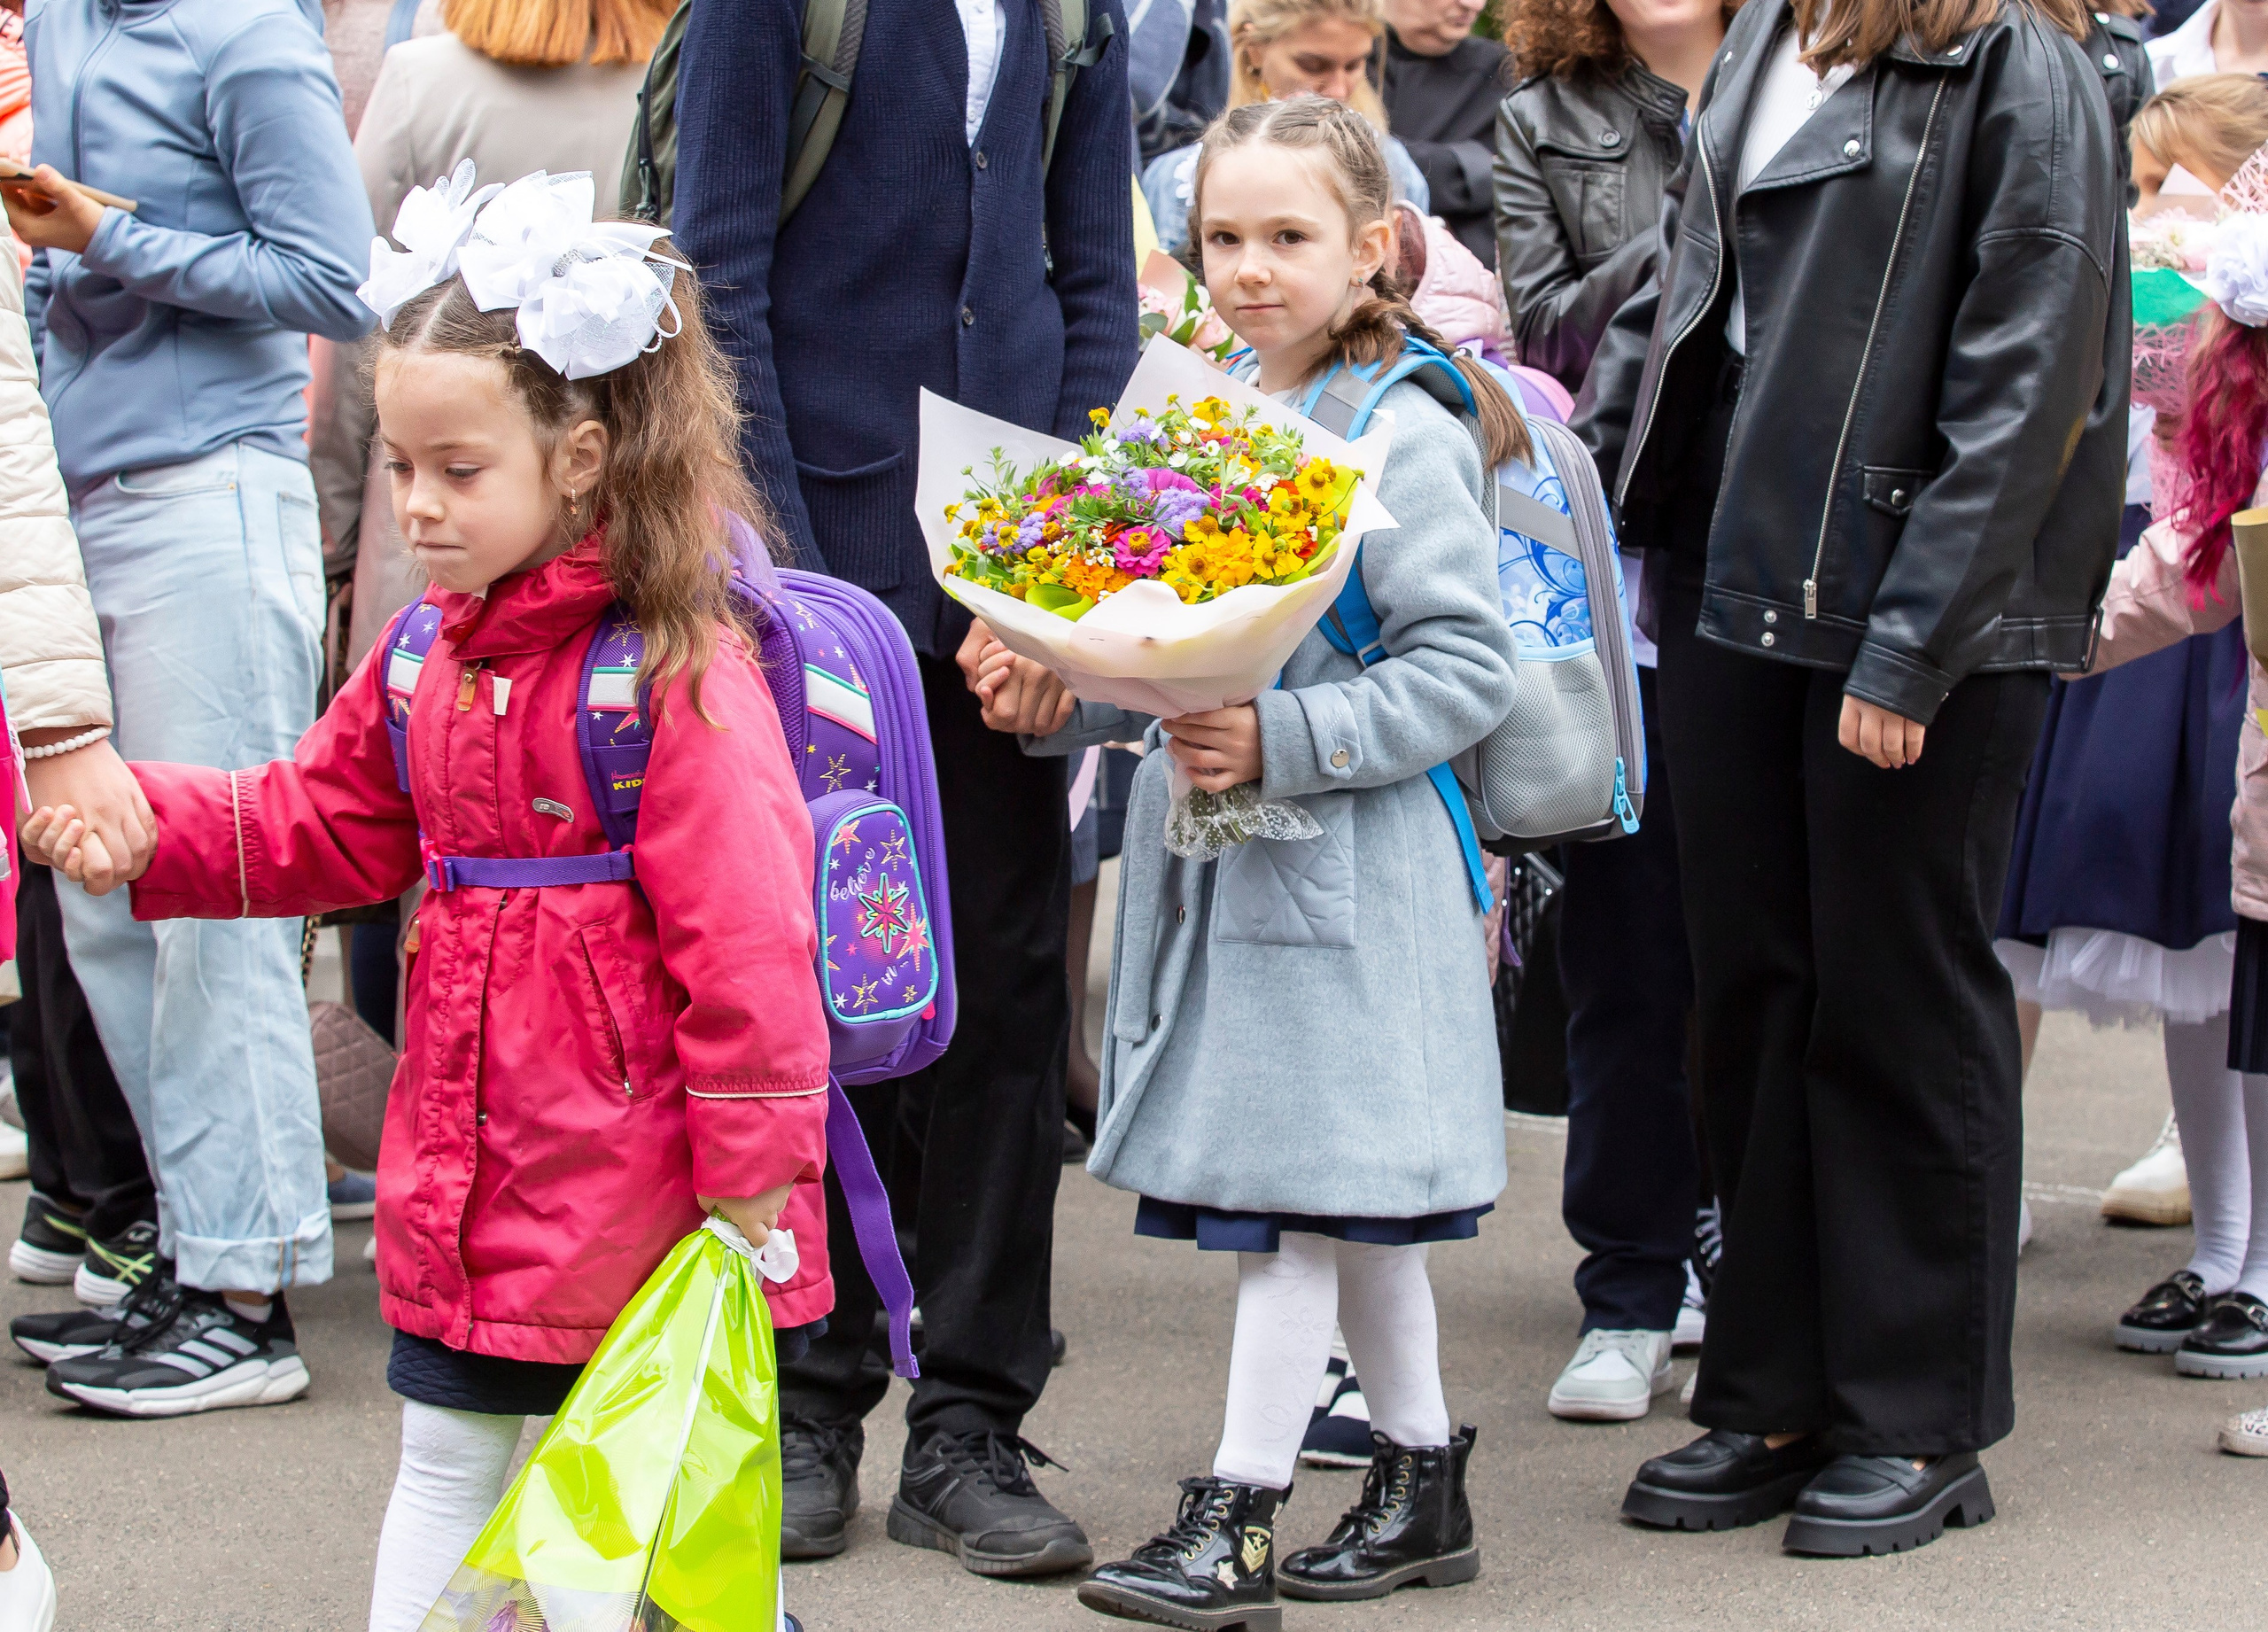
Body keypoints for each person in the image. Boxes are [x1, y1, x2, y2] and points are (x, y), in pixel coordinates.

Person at [24, 168, 837, 1631]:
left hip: (643, 1192)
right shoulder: (422, 656)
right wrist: (150, 827)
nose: (416, 502)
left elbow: (754, 938)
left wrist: (751, 1164)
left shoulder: (669, 672)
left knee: (641, 1510)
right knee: (447, 1460)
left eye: (458, 471)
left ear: (581, 457)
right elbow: (322, 822)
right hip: (466, 1172)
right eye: (402, 466)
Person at [1579, 0, 2123, 1556]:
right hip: (1732, 576)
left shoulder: (2018, 61)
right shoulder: (1768, 39)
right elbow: (1689, 293)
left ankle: (1914, 1414)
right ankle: (1772, 1385)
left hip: (1908, 601)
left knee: (1898, 1000)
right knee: (1752, 990)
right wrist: (1589, 488)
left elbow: (2037, 368)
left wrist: (1917, 642)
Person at [999, 96, 1517, 1629]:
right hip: (1238, 865)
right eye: (1223, 237)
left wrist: (1284, 742)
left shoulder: (1405, 429)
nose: (1247, 268)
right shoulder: (1202, 405)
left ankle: (1235, 1510)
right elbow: (1156, 641)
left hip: (1349, 875)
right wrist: (1058, 677)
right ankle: (1422, 1478)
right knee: (1340, 1203)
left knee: (1294, 1210)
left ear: (1372, 249)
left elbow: (1465, 669)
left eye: (1287, 238)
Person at [670, 0, 1136, 1577]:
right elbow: (715, 281)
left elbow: (1094, 292)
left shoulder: (1078, 14)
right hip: (822, 574)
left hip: (1005, 592)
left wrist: (1052, 585)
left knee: (1008, 1000)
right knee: (824, 992)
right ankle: (812, 1395)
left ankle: (977, 1421)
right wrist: (788, 591)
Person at [2, 0, 375, 1417]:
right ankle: (203, 1252)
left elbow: (338, 280)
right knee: (106, 900)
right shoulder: (87, 24)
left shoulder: (242, 32)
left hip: (209, 488)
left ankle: (246, 1295)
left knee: (212, 895)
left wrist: (105, 240)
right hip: (93, 492)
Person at [313, 0, 672, 1045]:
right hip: (619, 530)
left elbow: (359, 350)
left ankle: (412, 1112)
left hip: (442, 553)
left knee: (412, 825)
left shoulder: (422, 81)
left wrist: (342, 532)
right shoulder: (682, 72)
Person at [1492, 0, 1734, 1428]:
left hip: (1767, 559)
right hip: (1614, 570)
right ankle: (1630, 1283)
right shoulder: (1545, 116)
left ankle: (1738, 1242)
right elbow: (1552, 337)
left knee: (1761, 944)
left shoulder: (1820, 75)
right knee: (1628, 950)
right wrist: (1719, 203)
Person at [2056, 171, 2268, 1420]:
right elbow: (2184, 572)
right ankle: (2235, 1258)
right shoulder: (2235, 451)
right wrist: (2051, 636)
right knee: (2242, 1021)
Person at [1143, 0, 1432, 256]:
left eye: (1354, 65)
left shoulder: (1393, 165)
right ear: (1255, 50)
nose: (1338, 89)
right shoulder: (1179, 178)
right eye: (1313, 65)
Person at [1378, 0, 1507, 263]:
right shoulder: (1340, 57)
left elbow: (1518, 179)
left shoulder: (1502, 71)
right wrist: (1469, 170)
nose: (1474, 5)